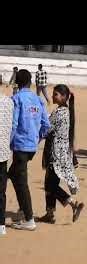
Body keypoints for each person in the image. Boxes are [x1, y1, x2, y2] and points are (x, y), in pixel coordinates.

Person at [9, 69, 51, 231]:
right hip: (32, 147)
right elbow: (46, 126)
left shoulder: (17, 99)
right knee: (12, 174)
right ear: (31, 82)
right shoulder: (37, 99)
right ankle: (22, 209)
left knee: (21, 182)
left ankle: (29, 218)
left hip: (20, 146)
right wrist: (36, 139)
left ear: (17, 83)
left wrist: (8, 143)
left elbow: (13, 125)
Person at [38, 85, 84, 224]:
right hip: (63, 153)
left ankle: (73, 204)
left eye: (56, 94)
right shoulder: (68, 112)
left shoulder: (59, 113)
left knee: (51, 185)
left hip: (55, 154)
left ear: (64, 97)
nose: (53, 96)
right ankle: (50, 213)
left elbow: (46, 129)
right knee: (50, 183)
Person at [0, 93, 13, 235]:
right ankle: (1, 225)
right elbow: (13, 125)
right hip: (3, 150)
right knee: (1, 190)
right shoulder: (9, 101)